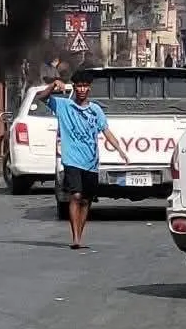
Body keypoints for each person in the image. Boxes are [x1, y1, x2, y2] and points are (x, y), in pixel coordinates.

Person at [37, 69, 129, 249]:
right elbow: (42, 97)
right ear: (74, 87)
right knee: (76, 195)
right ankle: (75, 238)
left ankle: (81, 232)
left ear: (89, 88)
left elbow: (106, 131)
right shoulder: (63, 106)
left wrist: (119, 149)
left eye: (85, 86)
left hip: (91, 161)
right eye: (78, 86)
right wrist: (54, 84)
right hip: (71, 159)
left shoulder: (95, 110)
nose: (81, 89)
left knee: (86, 199)